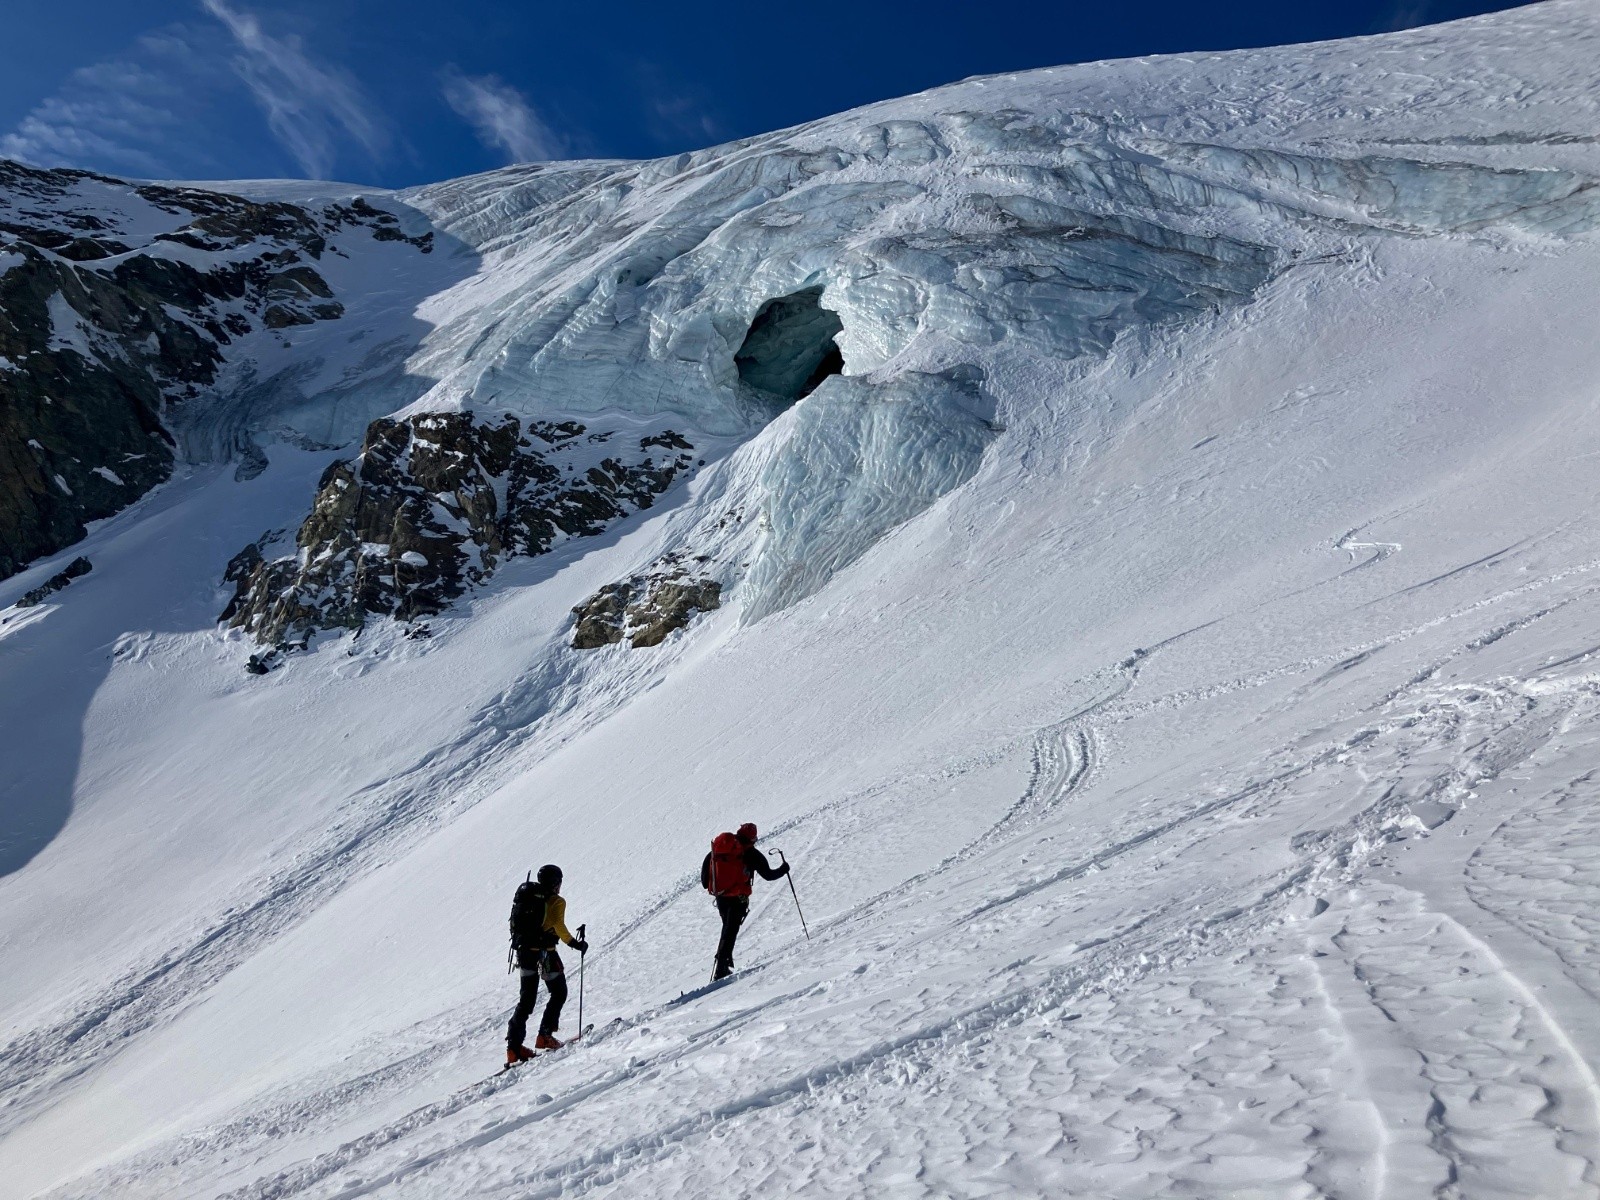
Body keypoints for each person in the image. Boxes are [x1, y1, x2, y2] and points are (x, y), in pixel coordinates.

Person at [506, 863, 588, 1065]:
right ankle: (545, 1035)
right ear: (555, 883)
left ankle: (514, 1048)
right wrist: (575, 944)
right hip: (546, 953)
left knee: (526, 1001)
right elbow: (558, 926)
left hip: (524, 952)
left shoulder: (528, 896)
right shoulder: (557, 901)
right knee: (559, 992)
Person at [701, 822, 789, 980]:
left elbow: (703, 879)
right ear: (753, 839)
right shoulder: (751, 854)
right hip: (738, 899)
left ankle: (722, 963)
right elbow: (769, 875)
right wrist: (784, 869)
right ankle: (721, 969)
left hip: (721, 897)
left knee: (727, 929)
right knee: (730, 931)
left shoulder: (719, 849)